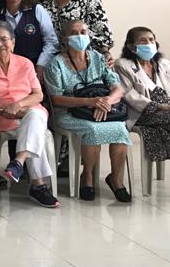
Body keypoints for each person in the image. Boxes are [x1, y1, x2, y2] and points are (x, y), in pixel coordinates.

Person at [0, 21, 59, 208]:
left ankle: (19, 161)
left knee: (34, 117)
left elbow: (38, 95)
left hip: (28, 110)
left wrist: (18, 105)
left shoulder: (25, 63)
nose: (0, 44)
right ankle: (38, 185)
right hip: (1, 117)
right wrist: (4, 110)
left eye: (4, 39)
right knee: (35, 127)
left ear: (13, 42)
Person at [45, 20, 130, 202]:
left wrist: (106, 102)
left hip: (102, 108)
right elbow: (56, 99)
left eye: (83, 32)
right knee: (92, 129)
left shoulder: (98, 58)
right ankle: (87, 177)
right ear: (64, 38)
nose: (80, 36)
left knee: (120, 129)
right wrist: (90, 102)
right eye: (74, 33)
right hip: (69, 111)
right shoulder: (56, 64)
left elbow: (118, 88)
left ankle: (116, 179)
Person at [116, 27, 170, 175]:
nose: (149, 44)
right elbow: (129, 95)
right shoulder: (122, 65)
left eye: (151, 40)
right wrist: (162, 107)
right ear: (131, 47)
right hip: (142, 114)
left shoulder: (165, 64)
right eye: (143, 41)